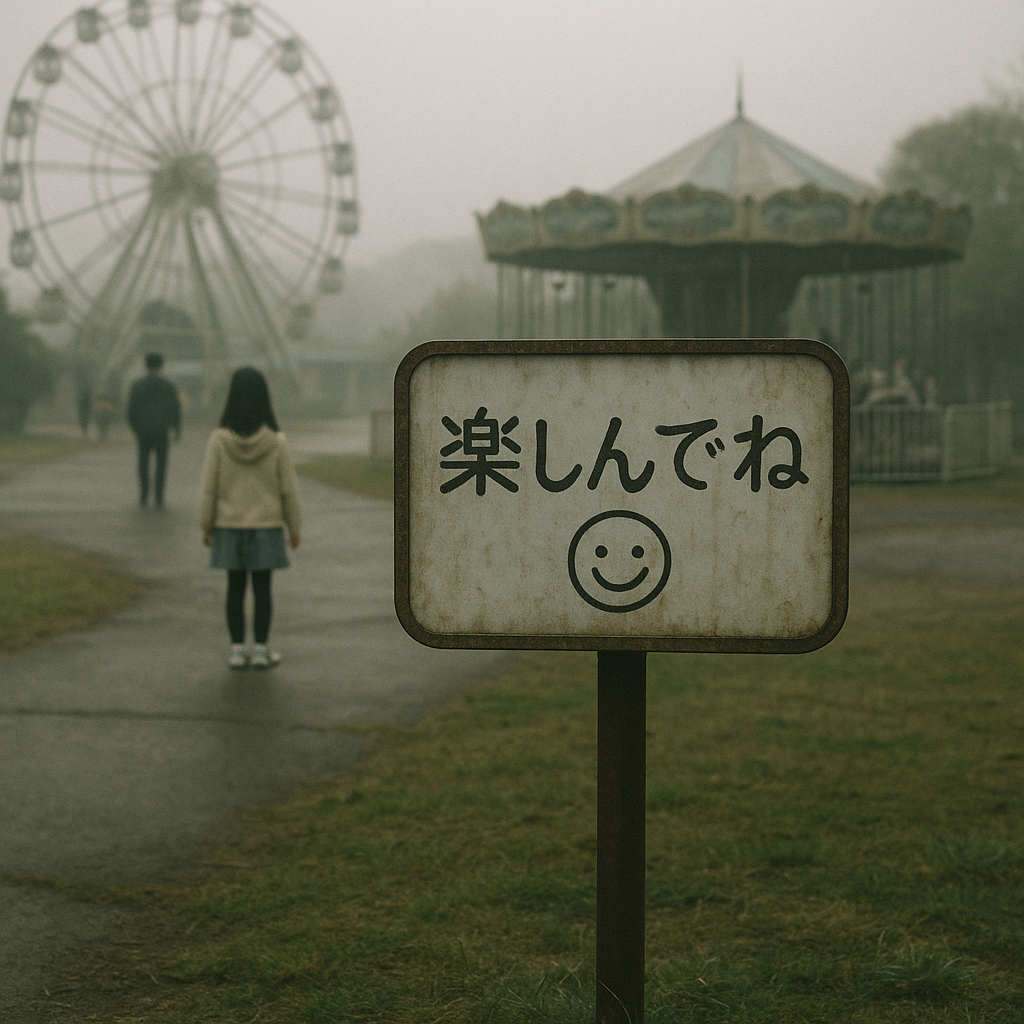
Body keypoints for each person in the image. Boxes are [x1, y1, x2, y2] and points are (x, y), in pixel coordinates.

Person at [199, 367, 302, 669]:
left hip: (229, 526)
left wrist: (206, 525)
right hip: (267, 526)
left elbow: (209, 488)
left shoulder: (218, 440)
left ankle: (235, 650)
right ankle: (260, 649)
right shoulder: (277, 442)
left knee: (234, 588)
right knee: (262, 590)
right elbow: (289, 490)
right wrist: (294, 527)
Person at [127, 352, 181, 506]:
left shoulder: (137, 385)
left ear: (146, 365)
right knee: (161, 463)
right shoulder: (168, 385)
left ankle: (144, 495)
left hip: (143, 430)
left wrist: (134, 427)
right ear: (161, 365)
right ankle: (159, 496)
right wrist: (176, 429)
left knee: (143, 462)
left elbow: (131, 408)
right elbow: (175, 408)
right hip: (162, 430)